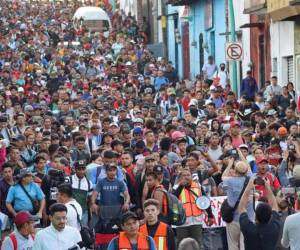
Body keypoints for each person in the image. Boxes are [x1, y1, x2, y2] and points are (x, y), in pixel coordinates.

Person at [173, 168, 214, 248]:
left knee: (197, 243)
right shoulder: (176, 187)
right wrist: (181, 186)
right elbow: (173, 200)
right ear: (180, 177)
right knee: (182, 243)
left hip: (196, 221)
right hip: (182, 222)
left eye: (188, 175)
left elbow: (205, 200)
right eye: (184, 175)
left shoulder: (198, 186)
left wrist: (210, 216)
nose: (186, 177)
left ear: (191, 176)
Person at [238, 177, 281, 250]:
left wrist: (248, 188)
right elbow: (274, 206)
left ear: (255, 217)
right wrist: (268, 188)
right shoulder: (274, 228)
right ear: (270, 217)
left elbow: (241, 207)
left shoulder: (249, 228)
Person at [69, 160, 93, 226]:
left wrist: (90, 214)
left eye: (83, 169)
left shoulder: (89, 183)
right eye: (79, 169)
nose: (81, 171)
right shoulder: (69, 179)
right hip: (70, 211)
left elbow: (90, 200)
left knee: (83, 232)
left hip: (84, 211)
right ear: (75, 169)